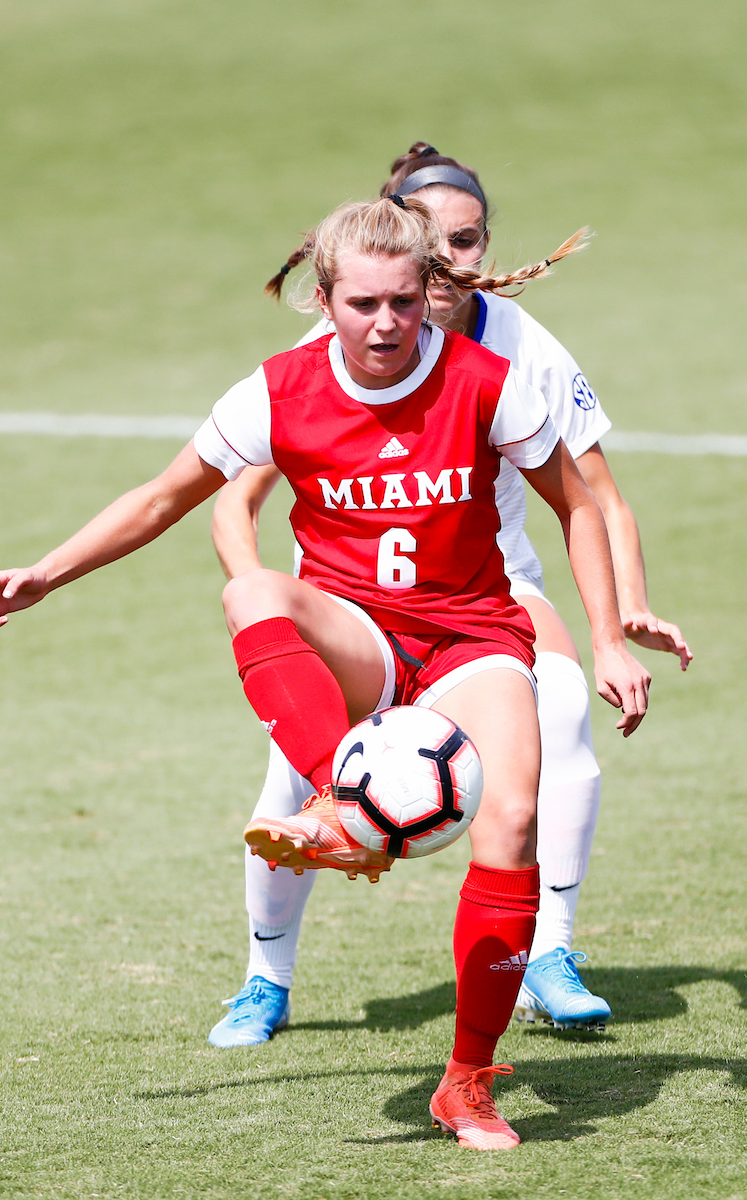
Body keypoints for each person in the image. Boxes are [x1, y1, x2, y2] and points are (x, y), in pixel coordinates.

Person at [207, 145, 692, 1052]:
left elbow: (597, 500)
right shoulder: (344, 342)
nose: (449, 262)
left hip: (490, 584)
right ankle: (265, 976)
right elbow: (235, 495)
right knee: (294, 770)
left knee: (565, 721)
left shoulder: (519, 346)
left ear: (479, 244)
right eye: (432, 241)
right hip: (361, 597)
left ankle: (550, 950)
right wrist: (259, 588)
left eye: (465, 242)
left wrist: (623, 619)